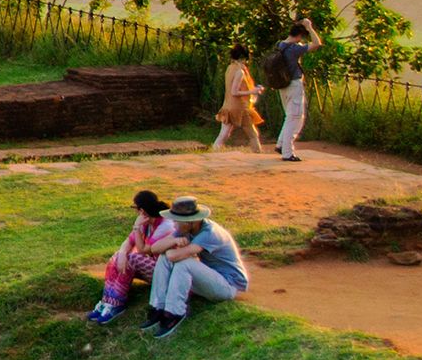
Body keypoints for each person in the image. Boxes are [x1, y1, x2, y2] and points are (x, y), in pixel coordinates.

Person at [144, 196, 247, 338]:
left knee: (183, 262)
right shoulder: (186, 229)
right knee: (164, 257)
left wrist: (170, 250)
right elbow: (154, 249)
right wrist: (173, 240)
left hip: (228, 286)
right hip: (212, 280)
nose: (173, 223)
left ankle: (175, 312)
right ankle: (158, 307)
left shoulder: (209, 233)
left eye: (176, 220)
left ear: (190, 222)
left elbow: (175, 256)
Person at [86, 190, 176, 324]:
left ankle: (117, 304)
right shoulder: (147, 222)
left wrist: (136, 227)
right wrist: (122, 253)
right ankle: (107, 301)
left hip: (165, 272)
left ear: (142, 210)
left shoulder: (165, 225)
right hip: (153, 265)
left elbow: (143, 250)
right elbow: (128, 242)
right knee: (117, 257)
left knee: (132, 259)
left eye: (136, 209)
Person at [268, 18, 322, 162]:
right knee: (295, 117)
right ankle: (287, 152)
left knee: (289, 117)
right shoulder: (294, 49)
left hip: (282, 86)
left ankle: (281, 144)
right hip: (294, 85)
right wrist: (310, 27)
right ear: (300, 36)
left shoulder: (280, 45)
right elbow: (317, 44)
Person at [213, 45, 265, 153]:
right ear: (243, 58)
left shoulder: (230, 68)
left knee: (223, 135)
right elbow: (234, 92)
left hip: (228, 106)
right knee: (253, 135)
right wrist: (252, 91)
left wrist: (252, 89)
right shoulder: (240, 72)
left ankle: (213, 153)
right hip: (240, 108)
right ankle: (258, 154)